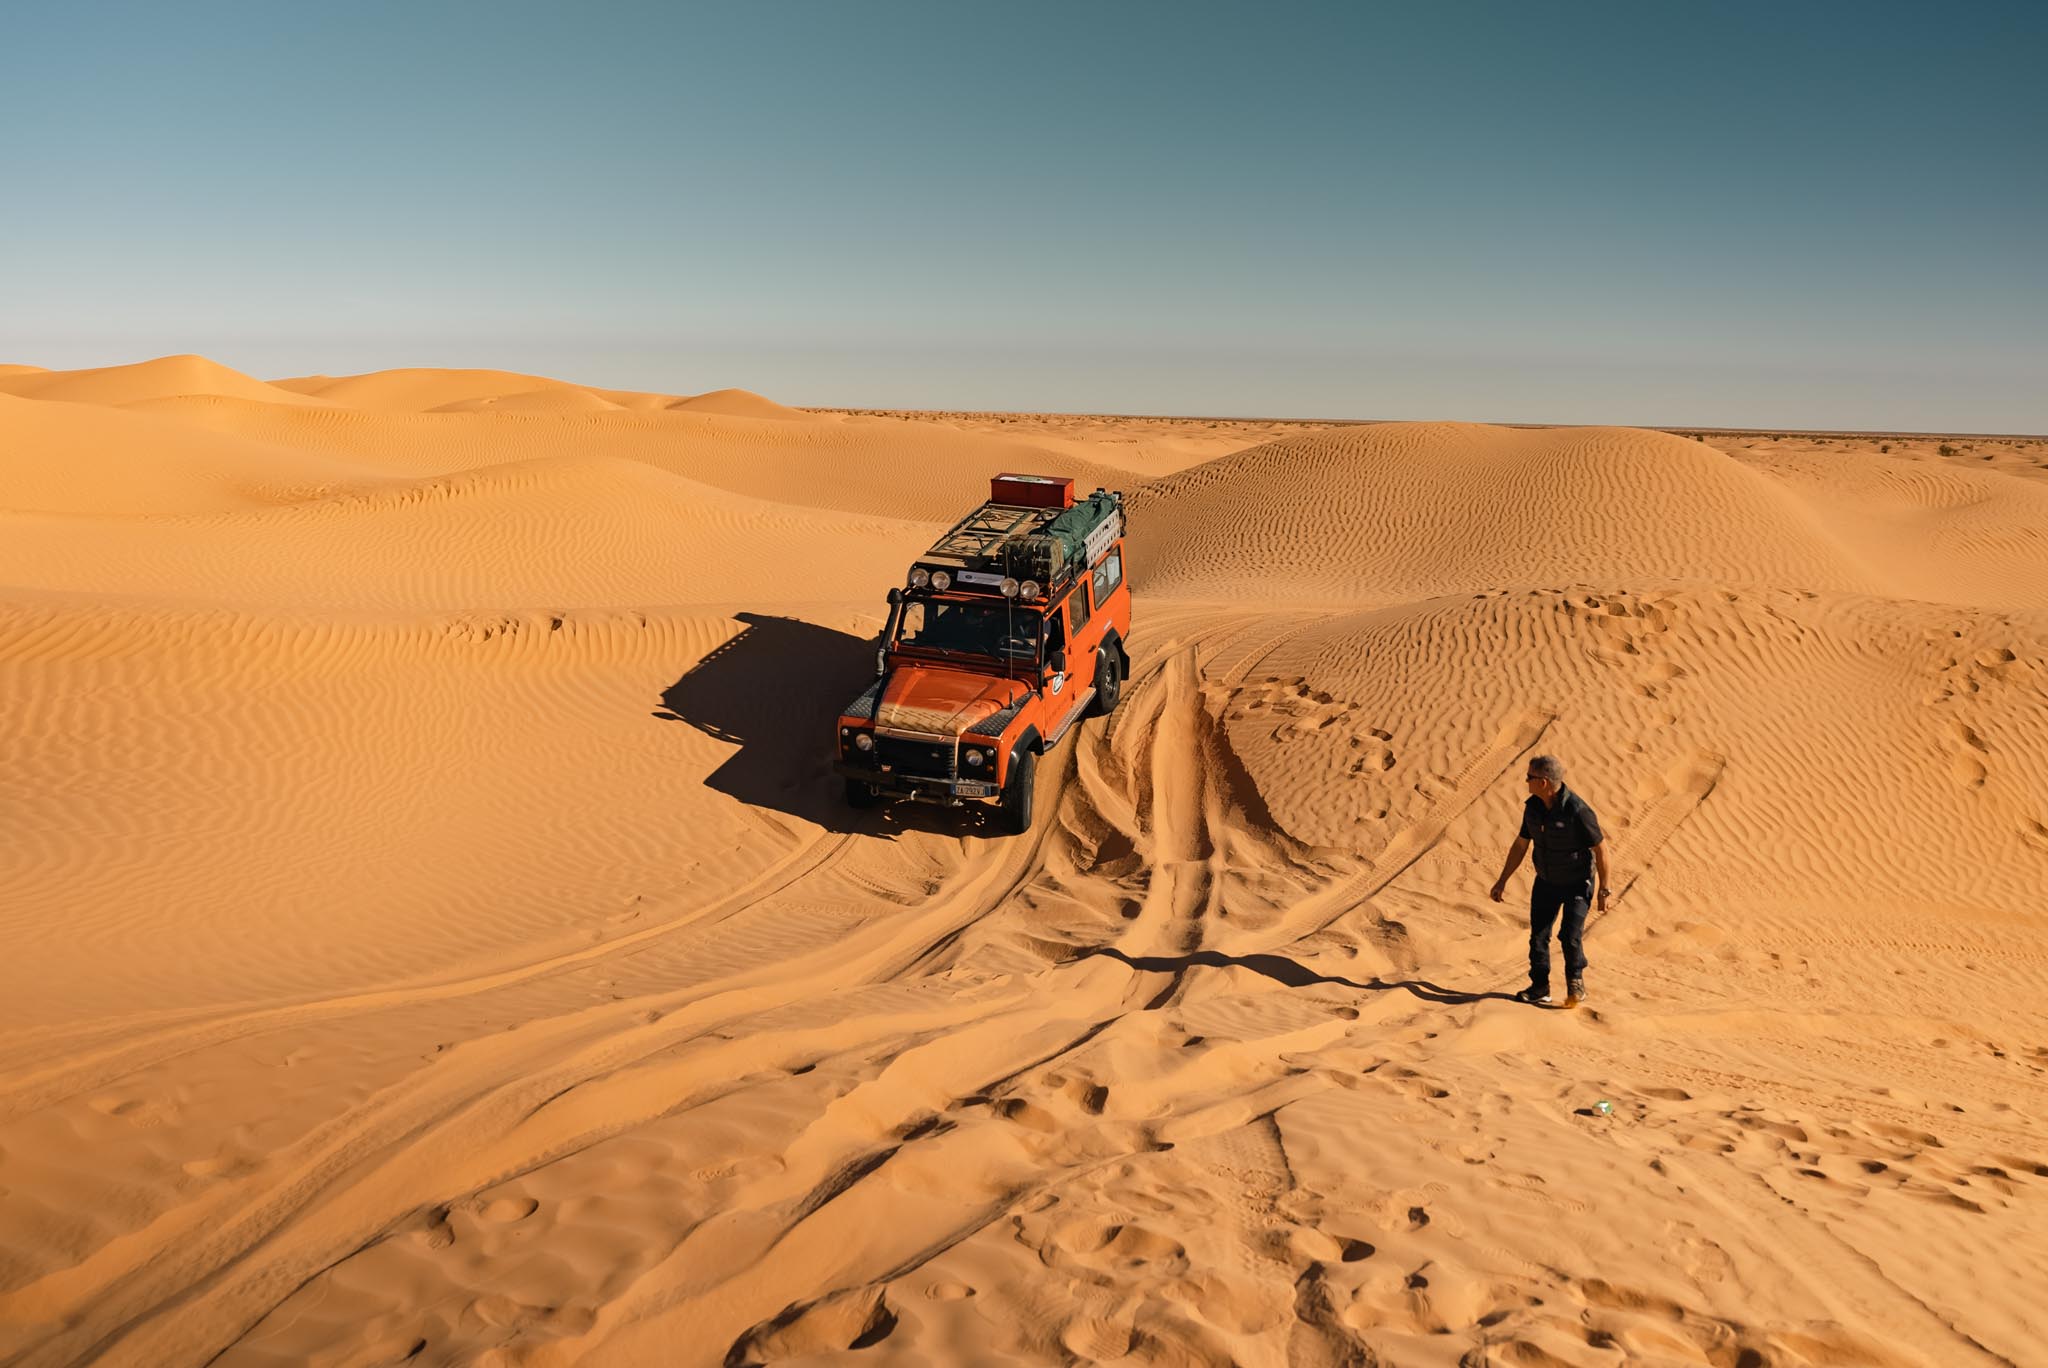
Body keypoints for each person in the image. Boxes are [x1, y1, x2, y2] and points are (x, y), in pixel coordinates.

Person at [1489, 754, 1608, 1007]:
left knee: (1569, 936)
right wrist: (1502, 880)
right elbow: (1521, 844)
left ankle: (1575, 982)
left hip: (1578, 883)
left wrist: (1604, 890)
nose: (1526, 781)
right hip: (1546, 881)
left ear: (1543, 782)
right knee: (1538, 937)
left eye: (1529, 777)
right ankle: (1540, 987)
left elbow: (1602, 850)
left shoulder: (1578, 811)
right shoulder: (1532, 807)